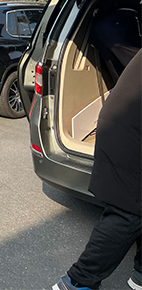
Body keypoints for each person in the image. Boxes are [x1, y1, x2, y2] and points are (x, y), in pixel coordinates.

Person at [53, 49, 141, 290]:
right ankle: (77, 282)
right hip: (131, 133)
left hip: (120, 123)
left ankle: (140, 275)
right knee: (128, 212)